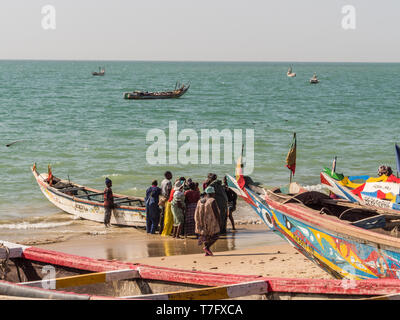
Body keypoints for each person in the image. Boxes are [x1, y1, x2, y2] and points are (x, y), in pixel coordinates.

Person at [194, 186, 221, 256]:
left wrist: (197, 222)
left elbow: (196, 212)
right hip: (210, 221)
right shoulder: (212, 200)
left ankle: (207, 252)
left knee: (206, 236)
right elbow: (216, 213)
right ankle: (207, 247)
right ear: (212, 193)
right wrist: (220, 221)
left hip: (201, 221)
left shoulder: (200, 200)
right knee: (216, 235)